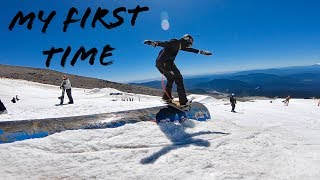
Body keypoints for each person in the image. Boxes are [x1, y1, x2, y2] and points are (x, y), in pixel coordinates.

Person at [144, 34, 212, 108]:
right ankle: (183, 102)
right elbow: (166, 43)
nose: (188, 46)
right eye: (189, 44)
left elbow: (189, 50)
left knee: (171, 79)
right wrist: (155, 43)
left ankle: (166, 97)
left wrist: (200, 52)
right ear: (186, 40)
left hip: (160, 64)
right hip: (167, 63)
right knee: (179, 79)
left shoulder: (178, 45)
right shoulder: (175, 42)